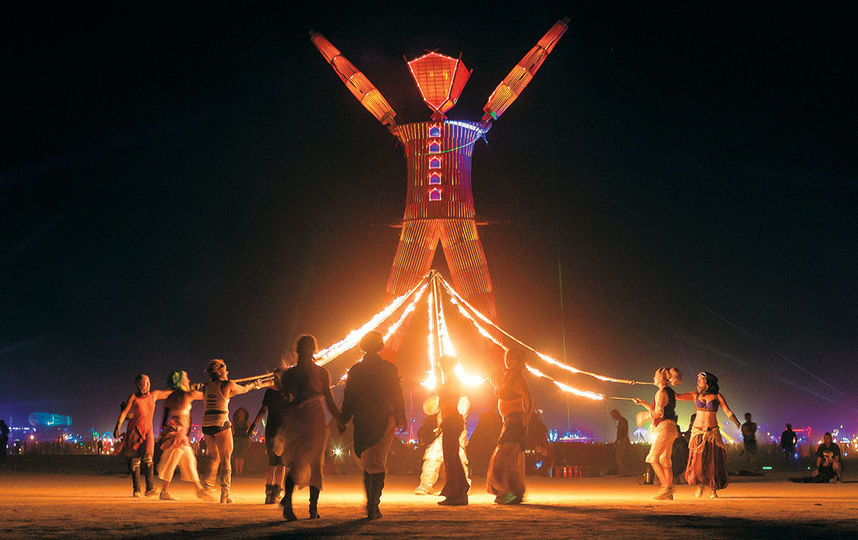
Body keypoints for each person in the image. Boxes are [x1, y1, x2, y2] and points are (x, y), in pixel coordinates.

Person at [340, 331, 407, 519]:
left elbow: (349, 398)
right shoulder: (389, 368)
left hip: (363, 421)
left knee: (368, 461)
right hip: (383, 419)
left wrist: (343, 420)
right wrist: (401, 415)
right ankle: (373, 504)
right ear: (380, 346)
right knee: (377, 462)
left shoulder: (356, 370)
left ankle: (371, 503)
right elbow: (397, 394)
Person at [279, 334, 341, 521]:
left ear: (297, 351)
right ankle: (312, 508)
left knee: (296, 462)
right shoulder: (321, 373)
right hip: (313, 418)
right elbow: (329, 401)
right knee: (314, 462)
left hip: (295, 418)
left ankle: (289, 502)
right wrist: (340, 420)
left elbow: (284, 400)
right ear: (315, 350)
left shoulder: (289, 374)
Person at [201, 358, 268, 503]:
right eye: (225, 369)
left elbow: (226, 396)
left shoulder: (206, 386)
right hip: (220, 422)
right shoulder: (228, 384)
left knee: (215, 457)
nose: (228, 372)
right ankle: (225, 493)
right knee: (225, 458)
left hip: (206, 424)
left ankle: (208, 485)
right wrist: (253, 385)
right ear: (220, 371)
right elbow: (242, 390)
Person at [676, 371, 741, 498]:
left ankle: (712, 489)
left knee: (713, 461)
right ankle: (700, 485)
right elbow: (677, 396)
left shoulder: (717, 396)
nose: (697, 381)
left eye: (700, 379)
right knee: (698, 462)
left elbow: (727, 411)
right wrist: (666, 385)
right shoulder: (695, 395)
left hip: (712, 431)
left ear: (707, 381)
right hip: (698, 431)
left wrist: (736, 422)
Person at [486, 348, 533, 504]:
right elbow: (503, 394)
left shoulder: (519, 378)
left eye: (513, 359)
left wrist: (526, 420)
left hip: (515, 423)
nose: (509, 361)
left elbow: (529, 400)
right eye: (508, 358)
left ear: (519, 361)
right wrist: (494, 385)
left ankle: (510, 493)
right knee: (506, 457)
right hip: (507, 422)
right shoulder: (508, 377)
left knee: (504, 458)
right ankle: (509, 492)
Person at [114, 374, 172, 497]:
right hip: (135, 431)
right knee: (135, 460)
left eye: (149, 382)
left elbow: (168, 393)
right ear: (139, 385)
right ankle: (137, 489)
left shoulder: (154, 395)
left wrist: (183, 389)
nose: (149, 385)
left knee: (148, 457)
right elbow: (125, 412)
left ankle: (150, 488)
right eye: (146, 383)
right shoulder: (134, 397)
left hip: (148, 430)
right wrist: (118, 426)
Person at [156, 370, 208, 501]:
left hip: (176, 432)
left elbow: (164, 416)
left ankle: (199, 489)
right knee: (173, 461)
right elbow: (206, 396)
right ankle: (165, 491)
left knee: (189, 460)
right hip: (178, 435)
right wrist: (205, 387)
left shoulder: (171, 396)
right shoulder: (187, 394)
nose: (189, 380)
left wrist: (163, 430)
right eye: (186, 378)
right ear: (180, 381)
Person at [633, 367, 682, 500]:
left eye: (655, 376)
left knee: (652, 458)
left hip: (664, 428)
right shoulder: (669, 392)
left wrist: (644, 416)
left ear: (661, 378)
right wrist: (643, 403)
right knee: (665, 460)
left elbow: (658, 414)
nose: (653, 378)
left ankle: (666, 487)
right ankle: (669, 492)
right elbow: (660, 410)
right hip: (671, 428)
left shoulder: (660, 392)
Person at [249, 368, 289, 504]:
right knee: (280, 463)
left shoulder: (271, 392)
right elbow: (263, 410)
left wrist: (253, 426)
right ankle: (275, 492)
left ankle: (270, 494)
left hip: (275, 429)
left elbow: (262, 410)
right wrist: (253, 426)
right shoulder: (286, 392)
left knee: (274, 464)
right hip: (280, 430)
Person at [436, 354, 470, 506]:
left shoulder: (453, 379)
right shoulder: (450, 379)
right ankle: (460, 491)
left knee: (451, 458)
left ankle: (455, 494)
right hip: (450, 419)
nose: (442, 367)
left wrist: (441, 390)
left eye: (444, 364)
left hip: (452, 419)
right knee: (452, 457)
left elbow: (450, 398)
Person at [610, 408, 631, 476]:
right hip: (623, 439)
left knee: (619, 456)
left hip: (622, 440)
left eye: (613, 416)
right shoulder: (623, 420)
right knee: (622, 456)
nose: (613, 418)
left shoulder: (622, 421)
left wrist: (618, 440)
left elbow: (621, 432)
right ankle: (624, 471)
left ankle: (622, 472)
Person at [231, 407, 250, 476]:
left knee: (242, 456)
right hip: (236, 439)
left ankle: (240, 472)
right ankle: (237, 471)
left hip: (244, 439)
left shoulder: (247, 422)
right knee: (236, 456)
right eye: (240, 413)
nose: (241, 414)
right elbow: (232, 431)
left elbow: (249, 431)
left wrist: (249, 440)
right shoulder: (234, 422)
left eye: (243, 413)